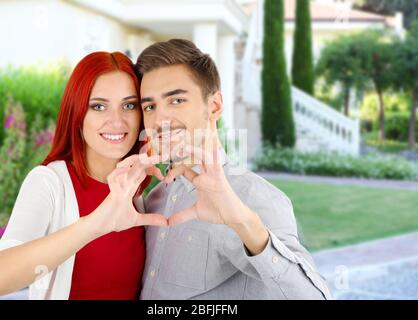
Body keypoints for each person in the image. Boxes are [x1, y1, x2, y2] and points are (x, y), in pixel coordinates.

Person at [135, 39, 332, 299]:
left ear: (214, 106)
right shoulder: (154, 198)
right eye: (150, 106)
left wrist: (242, 221)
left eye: (177, 100)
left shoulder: (255, 197)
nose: (159, 120)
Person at [0, 51, 167, 300]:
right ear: (77, 114)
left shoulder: (136, 192)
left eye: (128, 105)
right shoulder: (49, 182)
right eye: (99, 106)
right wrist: (95, 223)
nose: (117, 121)